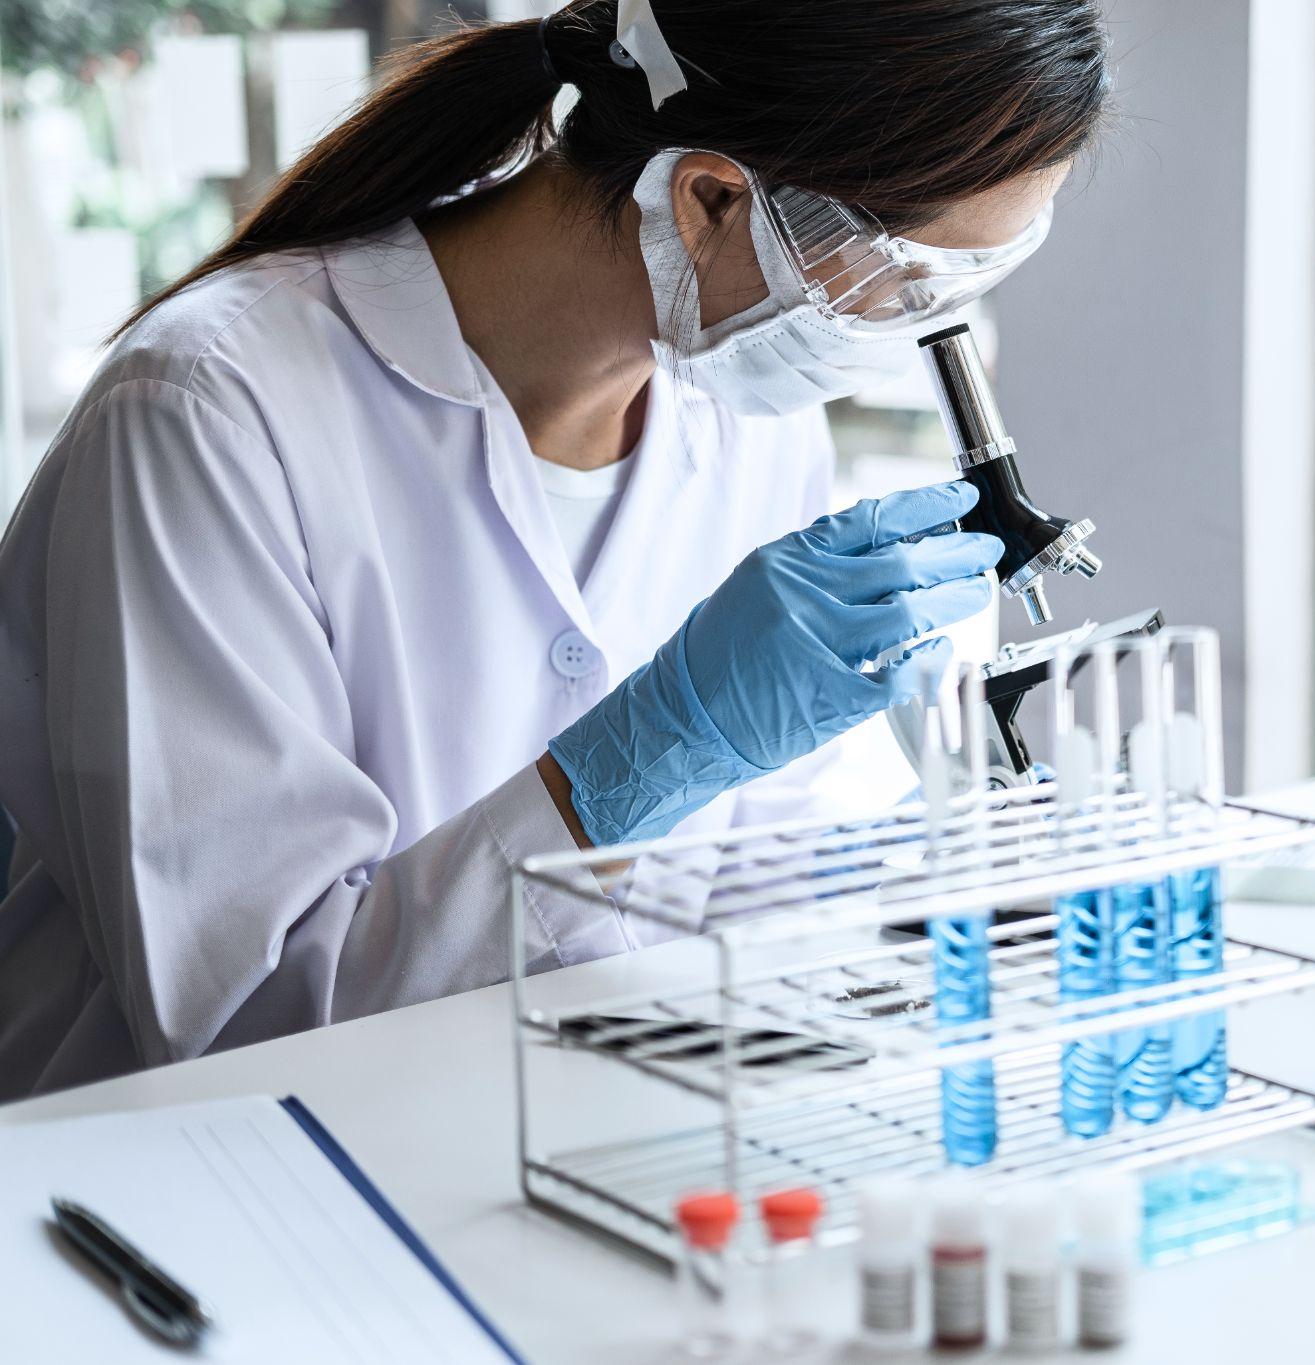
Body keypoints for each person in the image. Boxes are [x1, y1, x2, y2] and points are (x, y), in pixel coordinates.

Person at [0, 0, 1110, 1099]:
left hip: (552, 1150)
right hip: (187, 1197)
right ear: (713, 198)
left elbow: (747, 885)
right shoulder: (205, 411)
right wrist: (643, 759)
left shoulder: (746, 423)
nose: (923, 332)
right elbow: (249, 1026)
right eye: (911, 282)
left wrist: (925, 884)